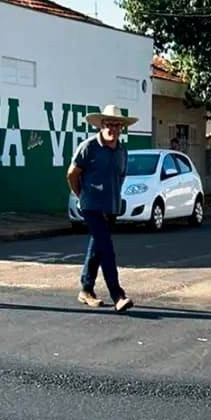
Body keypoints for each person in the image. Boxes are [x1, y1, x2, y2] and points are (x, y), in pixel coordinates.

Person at [68, 104, 137, 312]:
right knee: (106, 249)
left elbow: (120, 176)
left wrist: (113, 198)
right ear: (101, 125)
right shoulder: (88, 147)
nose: (112, 129)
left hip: (111, 206)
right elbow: (72, 174)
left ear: (121, 128)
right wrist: (81, 194)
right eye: (108, 124)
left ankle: (86, 289)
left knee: (97, 247)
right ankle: (118, 295)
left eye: (117, 125)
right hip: (91, 206)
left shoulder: (122, 151)